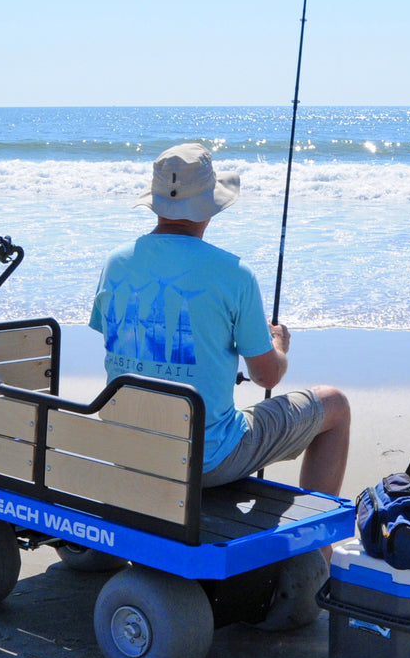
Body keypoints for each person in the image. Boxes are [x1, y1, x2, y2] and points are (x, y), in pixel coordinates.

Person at [88, 143, 349, 499]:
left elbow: (117, 338)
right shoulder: (234, 274)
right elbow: (266, 376)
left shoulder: (115, 264)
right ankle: (322, 547)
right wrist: (278, 346)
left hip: (129, 451)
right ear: (209, 207)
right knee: (334, 404)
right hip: (206, 461)